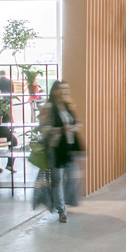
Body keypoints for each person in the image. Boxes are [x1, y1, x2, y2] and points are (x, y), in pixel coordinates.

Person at [39, 81, 83, 223]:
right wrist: (60, 130)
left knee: (73, 178)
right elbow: (44, 128)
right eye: (60, 89)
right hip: (56, 149)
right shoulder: (48, 107)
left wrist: (75, 126)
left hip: (69, 148)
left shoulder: (68, 106)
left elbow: (75, 123)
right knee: (57, 180)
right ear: (54, 91)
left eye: (66, 89)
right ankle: (61, 211)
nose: (63, 92)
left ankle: (64, 203)